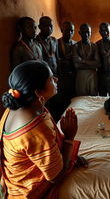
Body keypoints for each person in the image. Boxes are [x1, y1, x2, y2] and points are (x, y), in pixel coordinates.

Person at [0, 60, 87, 199]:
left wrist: (71, 157)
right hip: (26, 192)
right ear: (38, 92)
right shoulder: (36, 129)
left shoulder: (15, 109)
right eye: (51, 79)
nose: (56, 79)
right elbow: (56, 177)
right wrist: (69, 138)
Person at [72, 23, 100, 96]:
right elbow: (76, 66)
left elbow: (98, 63)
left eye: (88, 32)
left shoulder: (94, 46)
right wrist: (92, 65)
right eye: (84, 32)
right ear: (79, 33)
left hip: (92, 75)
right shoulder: (76, 46)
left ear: (91, 32)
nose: (86, 34)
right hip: (81, 76)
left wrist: (82, 61)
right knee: (81, 99)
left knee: (93, 99)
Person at [57, 21, 77, 108]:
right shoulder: (56, 43)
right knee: (61, 102)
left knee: (73, 101)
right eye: (67, 30)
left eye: (72, 31)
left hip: (73, 77)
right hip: (61, 78)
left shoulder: (75, 44)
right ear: (62, 30)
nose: (70, 33)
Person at [96, 22, 110, 96]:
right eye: (102, 31)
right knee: (102, 99)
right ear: (100, 32)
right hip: (102, 76)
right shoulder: (97, 44)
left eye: (107, 31)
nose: (105, 33)